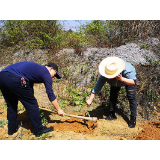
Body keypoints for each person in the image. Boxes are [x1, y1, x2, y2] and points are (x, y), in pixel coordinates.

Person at [0, 61, 65, 137]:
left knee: (11, 105)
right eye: (54, 75)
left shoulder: (35, 70)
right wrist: (58, 109)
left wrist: (28, 102)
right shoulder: (46, 72)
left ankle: (11, 129)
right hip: (15, 78)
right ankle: (39, 130)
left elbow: (29, 88)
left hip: (2, 76)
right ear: (51, 68)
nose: (52, 77)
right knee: (32, 104)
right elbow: (50, 93)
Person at [86, 57, 137, 128]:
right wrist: (90, 99)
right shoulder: (107, 72)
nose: (108, 77)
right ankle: (112, 114)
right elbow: (98, 86)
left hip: (127, 80)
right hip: (115, 83)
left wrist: (121, 79)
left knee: (131, 97)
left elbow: (133, 82)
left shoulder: (128, 70)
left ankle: (133, 118)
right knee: (113, 95)